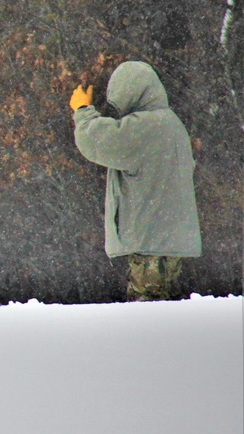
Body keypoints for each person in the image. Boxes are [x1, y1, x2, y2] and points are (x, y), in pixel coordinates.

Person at [70, 60, 201, 301]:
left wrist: (82, 111)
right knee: (163, 309)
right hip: (165, 241)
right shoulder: (170, 124)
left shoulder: (147, 127)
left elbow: (97, 140)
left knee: (148, 313)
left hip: (152, 243)